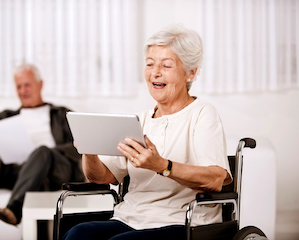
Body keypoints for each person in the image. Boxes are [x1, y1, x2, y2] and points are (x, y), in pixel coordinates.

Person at [62, 24, 232, 240]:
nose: (155, 73)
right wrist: (90, 150)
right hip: (130, 218)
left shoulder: (202, 114)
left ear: (190, 73)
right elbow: (101, 177)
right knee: (77, 235)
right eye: (150, 64)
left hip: (182, 222)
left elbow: (215, 179)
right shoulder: (138, 121)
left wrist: (163, 166)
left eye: (166, 65)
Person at [0, 63, 84, 226]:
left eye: (27, 85)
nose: (23, 91)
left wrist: (48, 154)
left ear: (40, 84)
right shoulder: (7, 116)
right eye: (18, 86)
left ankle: (14, 208)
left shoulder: (60, 113)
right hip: (21, 173)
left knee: (42, 151)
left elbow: (83, 141)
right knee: (37, 158)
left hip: (58, 171)